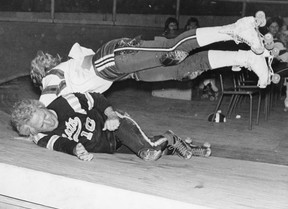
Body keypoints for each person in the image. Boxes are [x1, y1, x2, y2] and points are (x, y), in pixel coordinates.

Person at [31, 14, 271, 107]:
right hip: (125, 73)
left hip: (113, 59)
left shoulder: (53, 76)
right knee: (183, 71)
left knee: (173, 48)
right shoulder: (69, 81)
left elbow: (43, 105)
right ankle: (246, 58)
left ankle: (237, 28)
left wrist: (34, 133)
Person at [10, 92, 211, 161]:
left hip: (115, 127)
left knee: (147, 151)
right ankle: (184, 145)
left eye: (44, 116)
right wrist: (76, 150)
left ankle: (170, 138)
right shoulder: (41, 138)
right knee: (157, 150)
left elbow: (96, 99)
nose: (49, 122)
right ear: (35, 132)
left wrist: (112, 115)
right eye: (42, 126)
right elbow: (61, 144)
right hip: (111, 148)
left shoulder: (65, 102)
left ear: (42, 106)